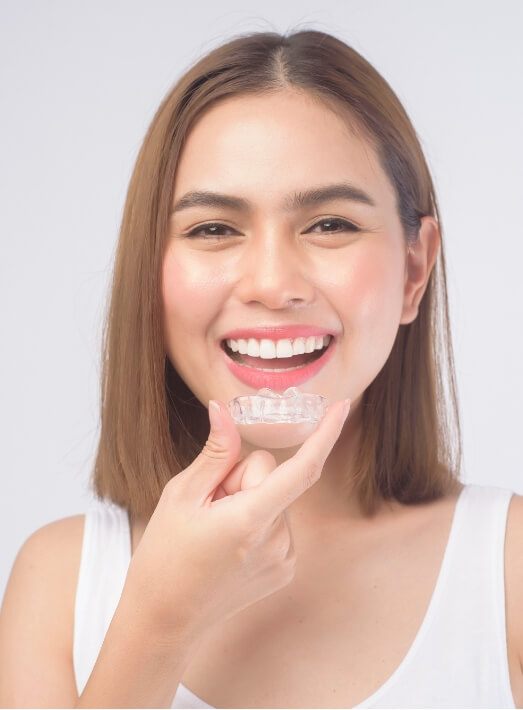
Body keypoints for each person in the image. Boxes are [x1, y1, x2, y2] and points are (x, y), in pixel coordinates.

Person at [0, 28, 521, 709]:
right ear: (148, 274)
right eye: (213, 229)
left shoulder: (506, 570)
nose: (272, 284)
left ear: (413, 270)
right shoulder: (60, 581)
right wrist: (159, 621)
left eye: (329, 224)